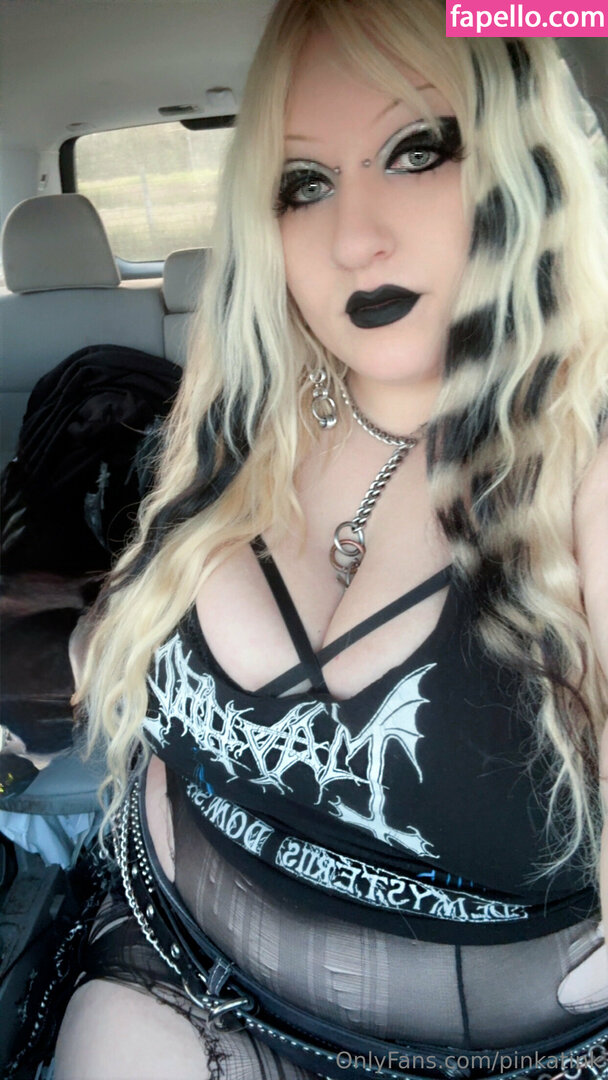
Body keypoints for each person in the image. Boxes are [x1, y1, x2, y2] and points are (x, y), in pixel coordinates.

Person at [53, 1, 608, 1077]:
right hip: (170, 959)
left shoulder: (585, 463)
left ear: (525, 168)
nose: (354, 238)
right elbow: (117, 655)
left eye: (417, 150)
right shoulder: (238, 429)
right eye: (304, 182)